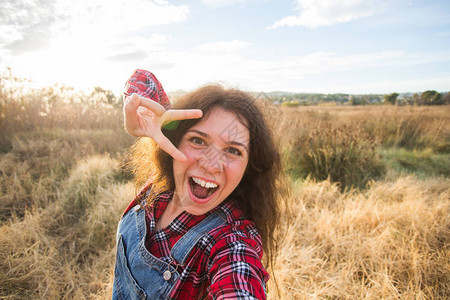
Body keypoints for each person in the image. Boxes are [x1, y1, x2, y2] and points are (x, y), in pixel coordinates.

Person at [112, 69, 283, 299]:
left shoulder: (232, 240)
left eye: (233, 150)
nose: (211, 165)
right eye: (198, 140)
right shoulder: (161, 186)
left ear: (248, 167)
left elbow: (239, 282)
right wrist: (145, 118)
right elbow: (142, 79)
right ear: (175, 142)